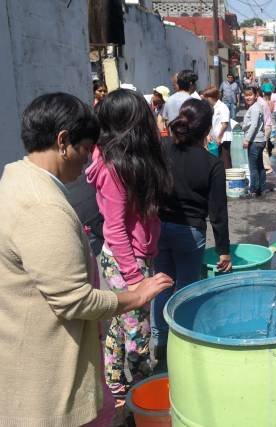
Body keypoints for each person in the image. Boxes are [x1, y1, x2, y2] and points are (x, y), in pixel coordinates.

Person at [0, 93, 172, 426]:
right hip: (50, 380)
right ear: (63, 141)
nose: (88, 160)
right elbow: (74, 300)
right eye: (86, 148)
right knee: (131, 336)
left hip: (37, 355)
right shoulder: (43, 207)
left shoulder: (17, 179)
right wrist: (136, 292)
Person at [87, 89, 173, 409]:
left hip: (135, 257)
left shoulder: (133, 160)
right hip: (126, 261)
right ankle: (141, 392)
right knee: (137, 333)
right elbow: (114, 229)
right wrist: (135, 278)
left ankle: (114, 382)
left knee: (123, 324)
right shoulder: (113, 168)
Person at [152, 99, 232, 358]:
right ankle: (183, 346)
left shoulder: (163, 149)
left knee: (162, 285)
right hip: (190, 233)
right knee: (186, 290)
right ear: (207, 127)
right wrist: (224, 251)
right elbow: (217, 212)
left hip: (159, 228)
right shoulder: (212, 163)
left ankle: (160, 343)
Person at [242, 86, 267, 196]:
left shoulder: (255, 108)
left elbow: (254, 125)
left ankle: (253, 189)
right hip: (259, 140)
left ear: (256, 95)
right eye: (246, 95)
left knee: (253, 167)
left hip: (255, 140)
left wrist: (247, 140)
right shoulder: (255, 107)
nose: (248, 97)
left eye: (250, 95)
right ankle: (261, 187)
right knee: (259, 165)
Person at [202, 86, 233, 169]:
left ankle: (227, 178)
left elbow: (224, 124)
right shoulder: (214, 107)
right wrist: (209, 135)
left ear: (212, 97)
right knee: (218, 160)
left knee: (225, 160)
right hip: (216, 138)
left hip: (223, 138)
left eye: (207, 97)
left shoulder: (222, 107)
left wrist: (219, 137)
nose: (206, 100)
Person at [257, 88, 274, 174]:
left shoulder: (260, 103)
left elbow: (261, 117)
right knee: (264, 147)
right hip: (267, 126)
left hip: (265, 127)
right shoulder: (262, 102)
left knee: (263, 147)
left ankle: (267, 167)